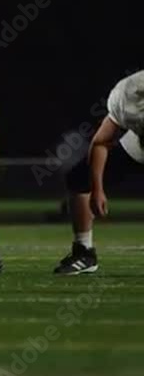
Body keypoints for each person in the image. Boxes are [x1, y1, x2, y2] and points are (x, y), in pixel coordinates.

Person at [54, 70, 144, 275]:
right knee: (79, 179)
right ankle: (84, 252)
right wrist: (97, 189)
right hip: (138, 146)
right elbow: (101, 142)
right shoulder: (130, 93)